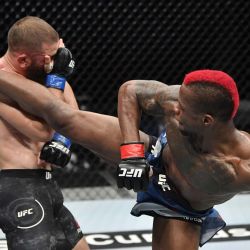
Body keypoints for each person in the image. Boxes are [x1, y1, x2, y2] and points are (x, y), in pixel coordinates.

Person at [0, 68, 249, 250]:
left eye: (182, 109)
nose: (174, 108)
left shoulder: (239, 168)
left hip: (180, 205)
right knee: (65, 119)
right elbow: (130, 90)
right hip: (155, 153)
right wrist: (132, 155)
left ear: (207, 120)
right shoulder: (180, 100)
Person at [0, 16, 89, 250]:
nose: (55, 62)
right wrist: (57, 78)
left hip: (46, 184)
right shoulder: (3, 79)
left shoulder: (43, 76)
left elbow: (70, 115)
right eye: (49, 58)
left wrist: (62, 141)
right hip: (15, 185)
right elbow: (42, 130)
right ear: (23, 59)